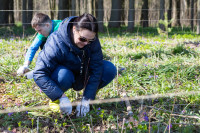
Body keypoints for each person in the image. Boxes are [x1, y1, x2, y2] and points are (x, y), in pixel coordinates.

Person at [33, 13, 117, 117]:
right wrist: (60, 96)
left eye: (90, 40)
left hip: (82, 73)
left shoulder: (92, 42)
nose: (86, 43)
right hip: (64, 76)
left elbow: (96, 69)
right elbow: (39, 73)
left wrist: (87, 98)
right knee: (64, 75)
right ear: (74, 29)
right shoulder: (55, 42)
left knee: (109, 69)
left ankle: (89, 95)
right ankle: (56, 100)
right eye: (82, 39)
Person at [17, 13, 62, 78]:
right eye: (37, 31)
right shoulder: (44, 30)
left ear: (47, 25)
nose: (39, 33)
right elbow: (33, 48)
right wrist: (26, 65)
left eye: (40, 30)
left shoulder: (60, 28)